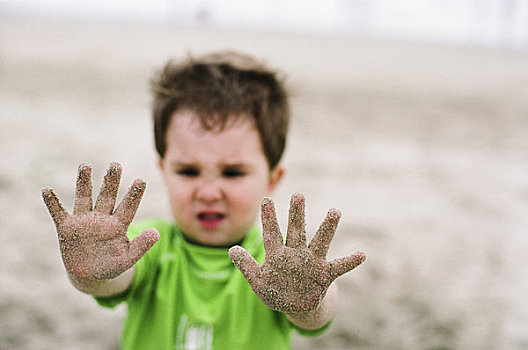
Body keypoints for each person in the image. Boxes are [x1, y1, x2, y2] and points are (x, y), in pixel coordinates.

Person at [42, 51, 366, 350]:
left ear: (272, 178)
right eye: (188, 171)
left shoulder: (277, 265)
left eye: (233, 172)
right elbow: (112, 282)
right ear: (163, 170)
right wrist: (90, 271)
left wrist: (308, 300)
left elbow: (316, 318)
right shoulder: (148, 244)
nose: (209, 192)